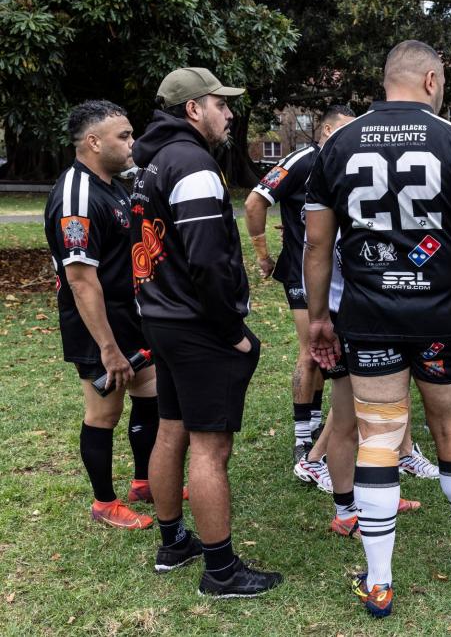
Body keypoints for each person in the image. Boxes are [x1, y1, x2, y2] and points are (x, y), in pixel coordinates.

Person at [303, 40, 451, 618]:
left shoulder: (339, 142)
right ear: (431, 79)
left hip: (369, 317)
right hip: (443, 315)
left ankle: (379, 580)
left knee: (378, 435)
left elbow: (318, 242)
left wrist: (320, 315)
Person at [131, 67, 282, 597]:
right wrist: (232, 330)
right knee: (209, 446)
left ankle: (174, 542)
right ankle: (220, 571)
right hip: (195, 325)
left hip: (162, 316)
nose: (230, 113)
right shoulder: (192, 164)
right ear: (193, 109)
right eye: (221, 104)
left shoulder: (151, 162)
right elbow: (208, 262)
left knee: (171, 427)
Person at [44, 100, 157, 530]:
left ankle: (144, 481)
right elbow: (81, 281)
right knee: (104, 414)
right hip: (97, 327)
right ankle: (104, 503)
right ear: (93, 142)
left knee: (151, 396)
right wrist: (108, 349)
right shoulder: (77, 194)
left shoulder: (112, 182)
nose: (132, 143)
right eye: (123, 136)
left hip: (129, 317)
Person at [244, 105, 356, 467]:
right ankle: (301, 439)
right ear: (324, 130)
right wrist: (263, 253)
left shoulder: (348, 162)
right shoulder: (303, 160)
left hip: (338, 275)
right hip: (301, 272)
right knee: (311, 351)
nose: (346, 138)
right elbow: (254, 201)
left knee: (329, 352)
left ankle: (315, 422)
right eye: (341, 131)